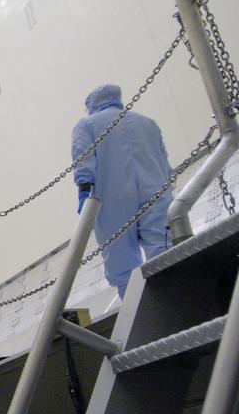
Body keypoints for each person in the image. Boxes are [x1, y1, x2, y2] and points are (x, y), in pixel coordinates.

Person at [72, 83, 173, 298]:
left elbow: (84, 160)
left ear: (92, 104)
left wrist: (84, 192)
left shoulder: (87, 125)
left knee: (122, 263)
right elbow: (165, 163)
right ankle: (174, 297)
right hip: (155, 192)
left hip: (112, 200)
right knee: (163, 249)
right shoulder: (147, 123)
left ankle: (137, 307)